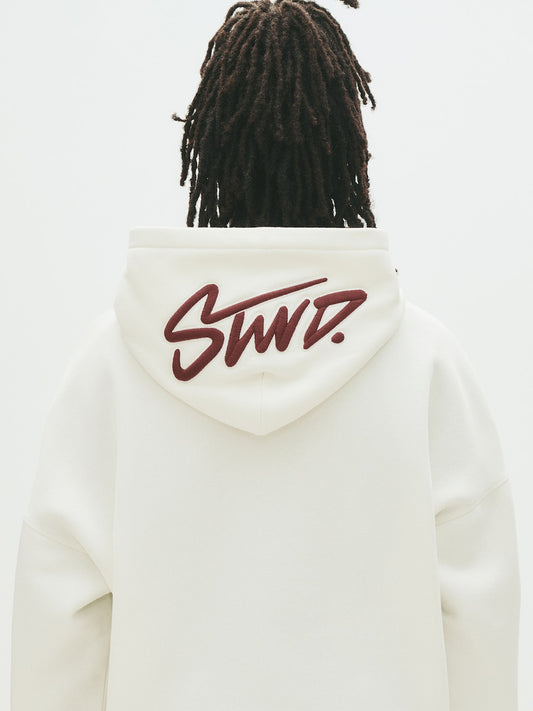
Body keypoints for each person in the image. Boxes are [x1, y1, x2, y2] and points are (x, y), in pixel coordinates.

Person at [11, 1, 521, 710]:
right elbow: (479, 620)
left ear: (210, 145)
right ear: (346, 145)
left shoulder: (112, 366)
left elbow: (59, 622)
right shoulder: (425, 363)